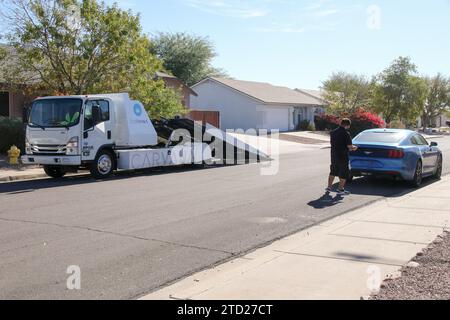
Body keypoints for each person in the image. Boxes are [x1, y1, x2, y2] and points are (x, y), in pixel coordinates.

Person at [326, 118, 358, 195]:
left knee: (333, 171)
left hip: (333, 155)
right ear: (347, 125)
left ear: (341, 123)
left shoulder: (333, 132)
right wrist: (355, 148)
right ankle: (340, 189)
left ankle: (329, 187)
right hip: (343, 156)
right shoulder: (346, 133)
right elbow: (350, 147)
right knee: (344, 172)